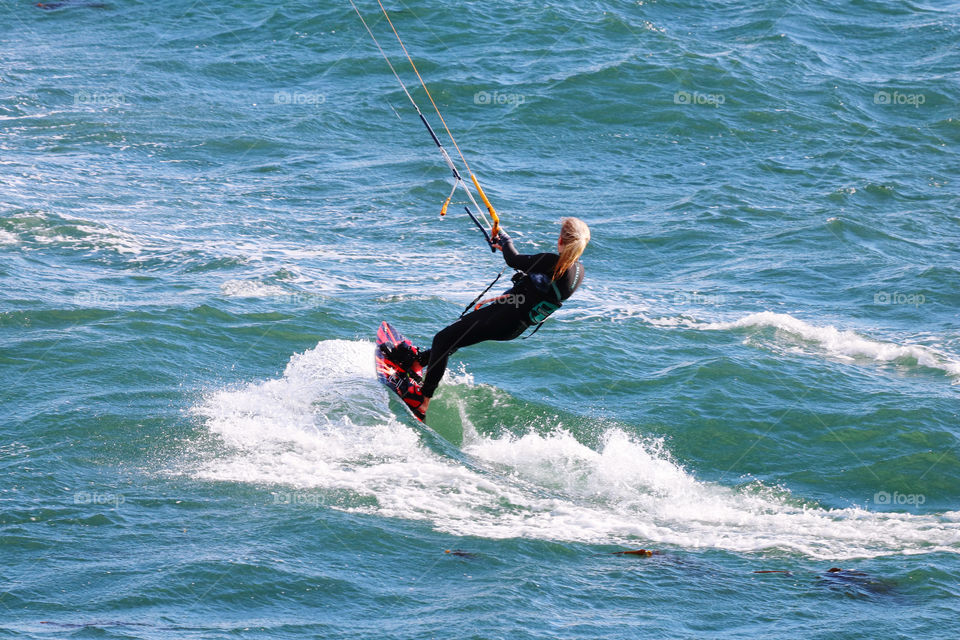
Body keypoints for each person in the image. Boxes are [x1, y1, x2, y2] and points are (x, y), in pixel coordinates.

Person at [400, 217, 590, 419]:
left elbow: (514, 260)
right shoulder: (578, 272)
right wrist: (505, 250)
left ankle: (423, 400)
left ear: (561, 239)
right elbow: (540, 282)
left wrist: (506, 241)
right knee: (458, 336)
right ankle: (419, 363)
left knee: (443, 339)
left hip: (502, 318)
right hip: (514, 325)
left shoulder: (551, 262)